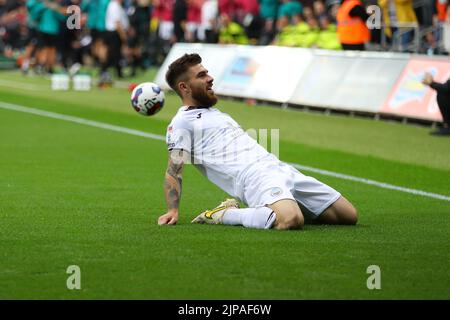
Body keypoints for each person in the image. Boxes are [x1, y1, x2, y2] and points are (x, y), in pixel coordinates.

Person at [158, 53, 358, 230]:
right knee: (290, 220)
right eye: (201, 76)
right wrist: (172, 210)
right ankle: (225, 214)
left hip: (279, 168)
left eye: (207, 73)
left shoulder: (215, 113)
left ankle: (276, 207)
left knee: (348, 216)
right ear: (184, 87)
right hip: (254, 178)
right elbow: (174, 169)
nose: (210, 78)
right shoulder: (182, 121)